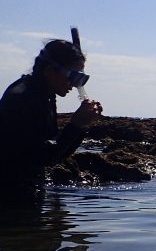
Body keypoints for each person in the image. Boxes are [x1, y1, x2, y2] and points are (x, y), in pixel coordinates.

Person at [0, 39, 104, 199]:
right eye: (74, 76)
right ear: (49, 71)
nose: (76, 85)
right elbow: (39, 157)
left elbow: (56, 154)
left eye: (81, 78)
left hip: (28, 194)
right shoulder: (20, 99)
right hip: (10, 199)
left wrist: (82, 126)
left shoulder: (45, 96)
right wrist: (75, 125)